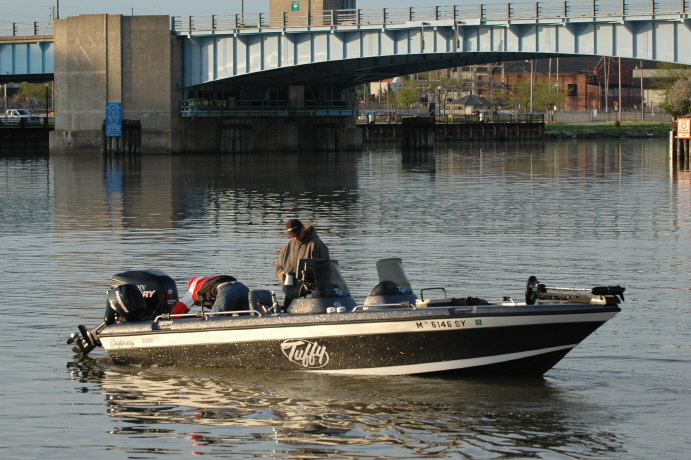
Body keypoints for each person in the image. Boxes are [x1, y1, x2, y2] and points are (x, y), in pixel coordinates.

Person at [275, 219, 330, 309]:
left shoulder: (317, 245)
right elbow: (279, 267)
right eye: (292, 236)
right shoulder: (286, 248)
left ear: (303, 228)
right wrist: (281, 274)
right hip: (290, 295)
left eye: (297, 235)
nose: (295, 238)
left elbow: (327, 270)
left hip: (311, 296)